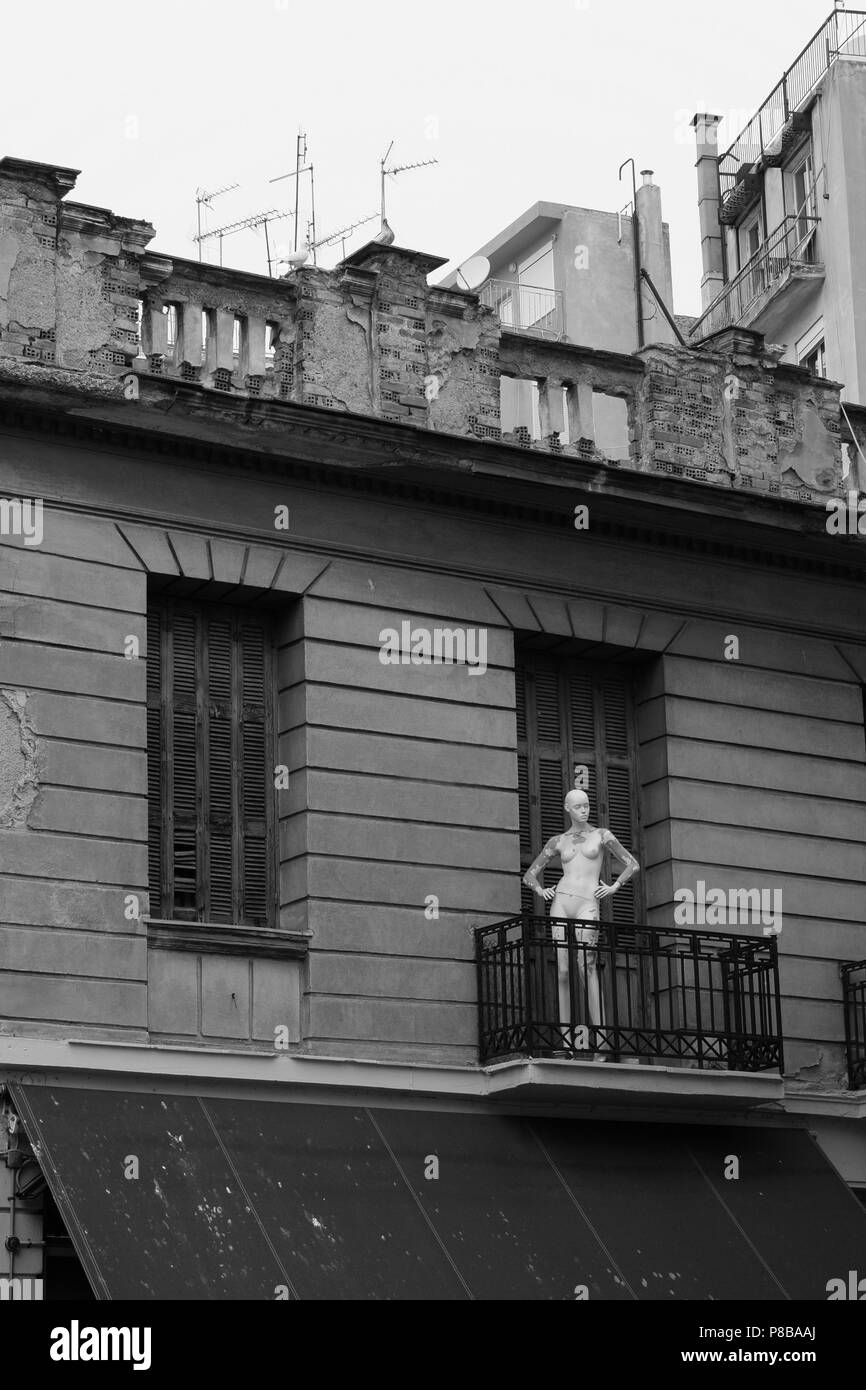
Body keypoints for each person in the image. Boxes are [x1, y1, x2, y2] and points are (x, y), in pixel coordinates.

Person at [522, 789, 639, 1049]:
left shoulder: (602, 835)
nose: (584, 810)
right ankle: (565, 1043)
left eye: (586, 805)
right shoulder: (558, 841)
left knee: (587, 965)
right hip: (561, 901)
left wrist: (615, 886)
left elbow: (632, 863)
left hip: (588, 902)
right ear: (567, 809)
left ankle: (601, 1041)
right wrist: (541, 890)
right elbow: (530, 874)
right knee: (563, 971)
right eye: (578, 806)